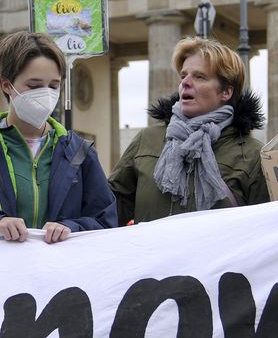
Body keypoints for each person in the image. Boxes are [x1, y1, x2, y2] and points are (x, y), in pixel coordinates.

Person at [0, 31, 116, 243]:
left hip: (61, 272)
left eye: (53, 85)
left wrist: (70, 227)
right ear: (6, 85)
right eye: (34, 86)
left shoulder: (80, 152)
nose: (46, 94)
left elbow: (106, 222)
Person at [109, 37, 267, 225]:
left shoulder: (252, 154)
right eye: (183, 76)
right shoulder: (147, 139)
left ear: (226, 92)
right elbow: (108, 207)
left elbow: (265, 228)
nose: (186, 82)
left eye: (199, 77)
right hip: (152, 253)